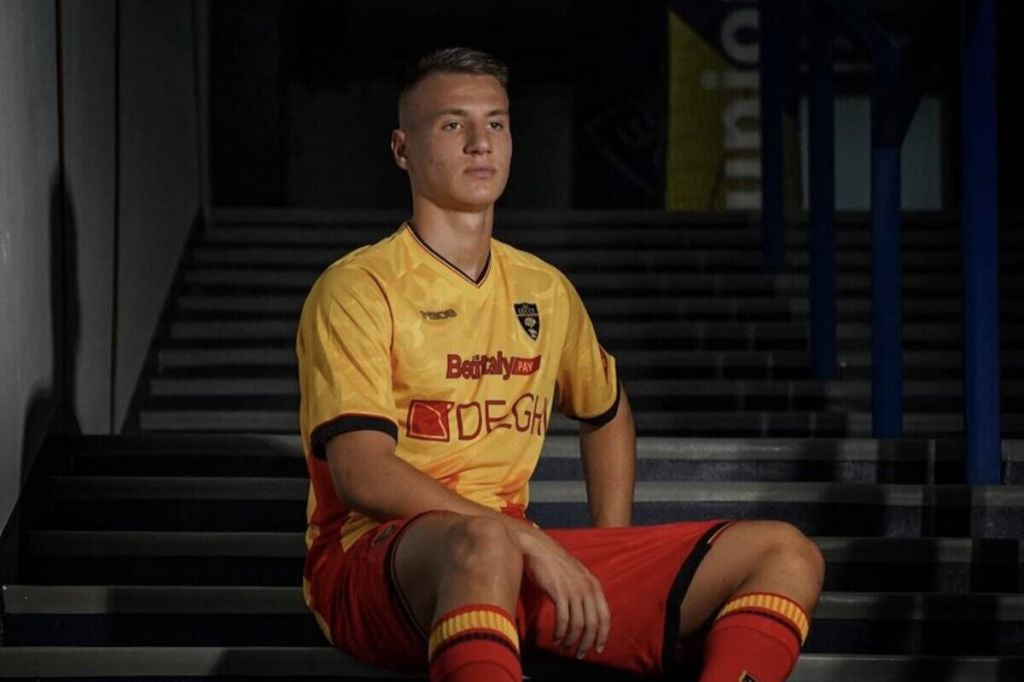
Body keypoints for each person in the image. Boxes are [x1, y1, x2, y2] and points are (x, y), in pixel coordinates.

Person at [296, 47, 824, 682]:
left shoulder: (542, 289)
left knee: (785, 552)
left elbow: (607, 411)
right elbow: (361, 472)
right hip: (369, 562)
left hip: (510, 558)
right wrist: (526, 539)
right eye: (453, 124)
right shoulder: (358, 287)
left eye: (496, 123)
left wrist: (607, 547)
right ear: (403, 149)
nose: (480, 143)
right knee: (485, 541)